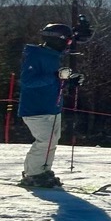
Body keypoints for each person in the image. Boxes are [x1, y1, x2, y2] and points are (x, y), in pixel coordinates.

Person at [18, 17, 91, 188]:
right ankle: (33, 174)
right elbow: (28, 81)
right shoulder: (35, 55)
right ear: (55, 40)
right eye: (66, 41)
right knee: (45, 141)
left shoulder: (52, 55)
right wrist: (56, 77)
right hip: (36, 108)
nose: (68, 44)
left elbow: (55, 79)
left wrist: (69, 80)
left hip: (52, 106)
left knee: (52, 141)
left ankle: (43, 171)